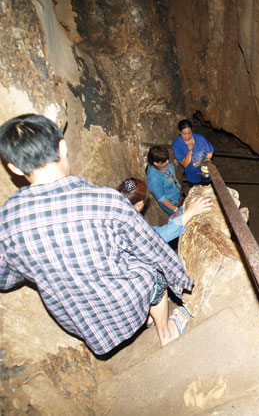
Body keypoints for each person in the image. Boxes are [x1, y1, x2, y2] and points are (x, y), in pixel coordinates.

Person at [0, 114, 192, 355]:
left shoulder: (6, 223)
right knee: (157, 272)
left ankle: (147, 317)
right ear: (62, 146)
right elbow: (154, 249)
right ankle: (166, 334)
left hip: (82, 322)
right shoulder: (105, 201)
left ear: (14, 167)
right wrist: (181, 280)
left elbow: (4, 279)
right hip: (122, 303)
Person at [117, 177, 211, 243]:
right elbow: (157, 237)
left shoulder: (115, 211)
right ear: (139, 204)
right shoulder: (129, 226)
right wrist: (189, 212)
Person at [172, 119, 214, 185]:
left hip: (205, 174)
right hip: (193, 177)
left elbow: (209, 152)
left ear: (192, 130)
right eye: (184, 134)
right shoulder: (177, 144)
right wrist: (189, 151)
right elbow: (184, 164)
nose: (187, 136)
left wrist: (203, 163)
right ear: (179, 132)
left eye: (189, 133)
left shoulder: (200, 139)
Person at [146, 145, 183, 216]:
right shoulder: (153, 179)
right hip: (172, 203)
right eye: (164, 161)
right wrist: (176, 210)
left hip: (178, 193)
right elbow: (162, 199)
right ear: (156, 163)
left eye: (167, 159)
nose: (167, 161)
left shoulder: (164, 165)